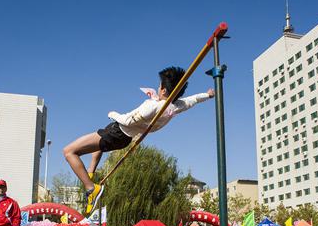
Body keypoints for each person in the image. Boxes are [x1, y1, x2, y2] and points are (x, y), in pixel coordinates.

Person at [63, 66, 215, 215]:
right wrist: (207, 95)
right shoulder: (175, 107)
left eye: (160, 85)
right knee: (96, 143)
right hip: (123, 138)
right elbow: (192, 100)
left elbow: (127, 120)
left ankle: (91, 188)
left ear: (163, 90)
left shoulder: (151, 107)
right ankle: (90, 173)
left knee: (69, 151)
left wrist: (113, 114)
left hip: (117, 132)